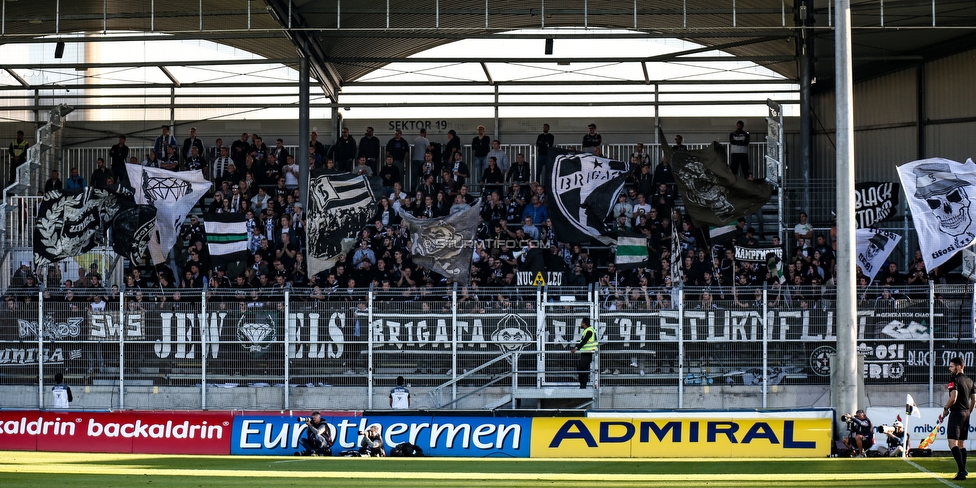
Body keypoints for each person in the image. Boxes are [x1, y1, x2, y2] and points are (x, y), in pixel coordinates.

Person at [942, 357, 975, 480]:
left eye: (951, 366)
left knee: (952, 443)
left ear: (959, 367)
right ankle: (963, 470)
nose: (950, 369)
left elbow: (953, 398)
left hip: (956, 413)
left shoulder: (954, 379)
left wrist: (945, 409)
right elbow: (974, 400)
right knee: (961, 443)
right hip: (966, 413)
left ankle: (962, 470)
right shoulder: (970, 381)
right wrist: (968, 412)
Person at [570, 317, 598, 389]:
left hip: (588, 353)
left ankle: (583, 386)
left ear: (584, 323)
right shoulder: (588, 330)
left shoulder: (589, 331)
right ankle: (582, 385)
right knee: (583, 369)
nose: (581, 324)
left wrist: (576, 348)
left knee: (582, 369)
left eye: (581, 322)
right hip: (585, 352)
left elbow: (584, 341)